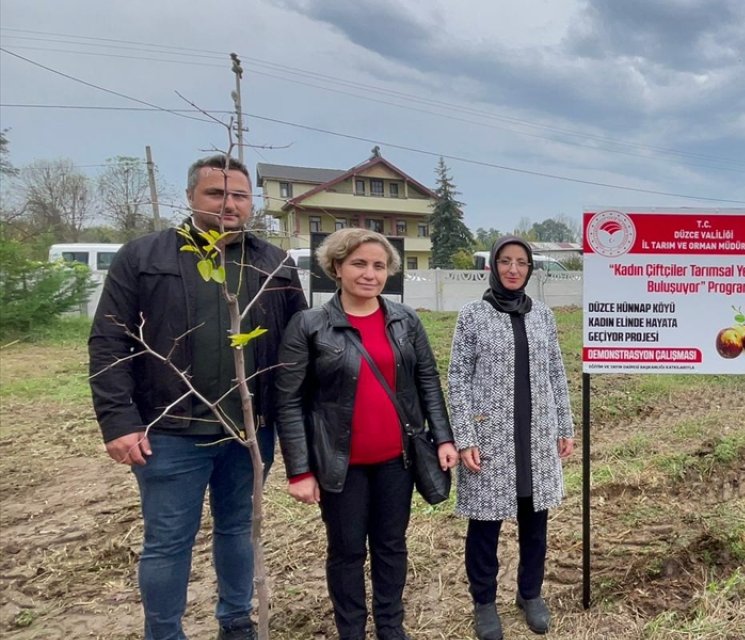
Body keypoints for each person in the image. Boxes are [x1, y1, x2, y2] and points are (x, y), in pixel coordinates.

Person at [88, 154, 307, 640]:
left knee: (238, 530)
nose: (228, 204)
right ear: (190, 197)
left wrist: (293, 422)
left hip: (249, 433)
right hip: (170, 433)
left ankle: (235, 621)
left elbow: (297, 347)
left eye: (239, 195)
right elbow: (109, 340)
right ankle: (164, 633)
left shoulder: (273, 264)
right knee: (167, 542)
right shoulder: (145, 258)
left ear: (252, 203)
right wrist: (118, 420)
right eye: (216, 193)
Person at [275, 228, 458, 640]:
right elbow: (288, 401)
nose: (370, 274)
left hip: (398, 460)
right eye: (359, 263)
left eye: (379, 265)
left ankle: (392, 628)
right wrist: (299, 470)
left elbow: (427, 379)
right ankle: (352, 631)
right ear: (336, 267)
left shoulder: (404, 319)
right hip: (341, 466)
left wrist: (444, 438)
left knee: (391, 546)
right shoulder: (310, 324)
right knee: (347, 551)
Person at [449, 236, 575, 640]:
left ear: (530, 269)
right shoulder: (473, 315)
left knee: (535, 523)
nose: (513, 269)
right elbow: (457, 378)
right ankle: (484, 602)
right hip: (491, 440)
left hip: (535, 439)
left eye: (521, 262)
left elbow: (556, 373)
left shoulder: (543, 316)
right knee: (485, 527)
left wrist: (564, 426)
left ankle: (530, 593)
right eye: (506, 261)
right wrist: (465, 436)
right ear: (494, 266)